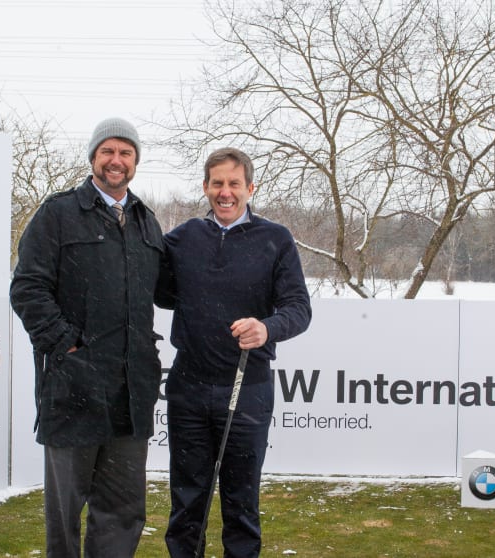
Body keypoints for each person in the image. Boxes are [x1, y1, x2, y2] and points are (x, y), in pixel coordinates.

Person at [10, 117, 167, 558]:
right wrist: (66, 346)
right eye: (108, 152)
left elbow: (171, 289)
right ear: (93, 157)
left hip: (131, 395)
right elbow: (27, 288)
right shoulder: (58, 213)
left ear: (135, 161)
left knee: (123, 512)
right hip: (73, 389)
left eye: (126, 153)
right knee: (65, 516)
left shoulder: (145, 222)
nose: (116, 161)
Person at [160, 147, 311, 557]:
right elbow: (156, 290)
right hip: (188, 389)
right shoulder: (182, 238)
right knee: (187, 503)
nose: (225, 193)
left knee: (241, 504)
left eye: (234, 184)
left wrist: (266, 328)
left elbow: (299, 309)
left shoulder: (275, 239)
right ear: (206, 187)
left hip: (248, 389)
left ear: (250, 187)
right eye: (217, 184)